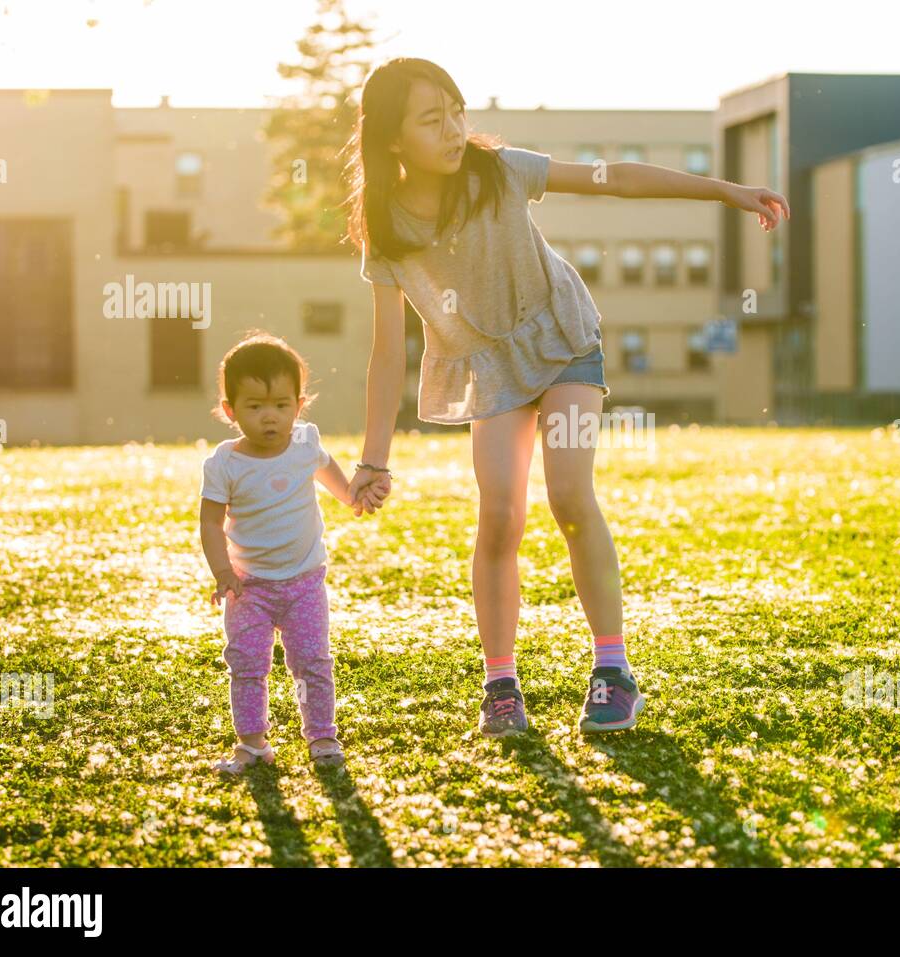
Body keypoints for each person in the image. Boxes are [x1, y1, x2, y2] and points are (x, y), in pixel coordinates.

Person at [342, 57, 789, 737]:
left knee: (569, 495)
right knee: (499, 514)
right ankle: (501, 686)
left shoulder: (500, 171)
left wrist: (726, 192)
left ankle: (613, 672)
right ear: (393, 140)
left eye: (456, 111)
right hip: (490, 371)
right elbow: (384, 352)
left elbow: (617, 181)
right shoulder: (388, 226)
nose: (454, 129)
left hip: (563, 342)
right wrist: (374, 458)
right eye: (432, 120)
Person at [199, 332, 364, 773]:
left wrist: (350, 496)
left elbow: (327, 469)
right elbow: (211, 522)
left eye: (281, 405)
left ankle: (322, 737)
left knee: (313, 661)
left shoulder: (305, 444)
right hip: (247, 587)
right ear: (230, 410)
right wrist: (221, 571)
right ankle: (252, 744)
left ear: (299, 404)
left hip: (305, 583)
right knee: (247, 664)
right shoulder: (225, 464)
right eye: (255, 407)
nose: (270, 417)